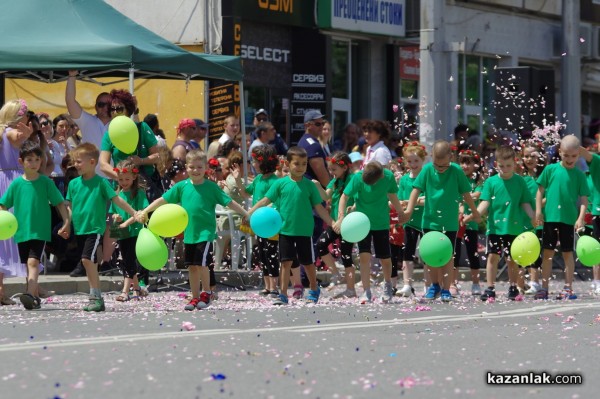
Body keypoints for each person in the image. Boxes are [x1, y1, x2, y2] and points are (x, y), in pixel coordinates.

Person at [141, 150, 248, 311]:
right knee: (191, 266)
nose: (196, 170)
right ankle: (195, 296)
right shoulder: (181, 187)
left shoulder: (211, 187)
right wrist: (145, 211)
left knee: (203, 264)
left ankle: (207, 293)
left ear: (205, 167)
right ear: (186, 168)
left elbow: (229, 202)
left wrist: (246, 213)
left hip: (205, 233)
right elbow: (162, 200)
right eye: (192, 167)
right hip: (189, 233)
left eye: (199, 167)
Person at [249, 147, 335, 305]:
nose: (301, 167)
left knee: (307, 263)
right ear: (287, 164)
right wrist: (250, 213)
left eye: (304, 164)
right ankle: (282, 294)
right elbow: (265, 201)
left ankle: (314, 289)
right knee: (285, 262)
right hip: (285, 230)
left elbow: (319, 207)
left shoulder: (309, 185)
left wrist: (332, 223)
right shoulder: (280, 184)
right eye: (297, 164)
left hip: (304, 231)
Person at [403, 140, 481, 302]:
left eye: (444, 165)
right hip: (430, 221)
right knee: (431, 256)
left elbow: (466, 194)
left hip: (450, 222)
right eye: (437, 165)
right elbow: (415, 191)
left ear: (450, 158)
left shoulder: (456, 171)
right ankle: (435, 285)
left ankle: (446, 288)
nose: (440, 168)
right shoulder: (427, 170)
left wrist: (474, 212)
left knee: (448, 256)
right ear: (432, 158)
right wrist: (409, 210)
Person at [66, 143, 139, 312]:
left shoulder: (101, 183)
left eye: (79, 161)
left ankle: (96, 296)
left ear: (92, 162)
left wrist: (134, 212)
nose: (76, 165)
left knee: (86, 260)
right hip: (80, 229)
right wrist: (66, 224)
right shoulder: (73, 184)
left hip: (94, 229)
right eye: (75, 161)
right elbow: (69, 206)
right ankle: (97, 297)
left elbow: (117, 200)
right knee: (90, 263)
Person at [0, 141, 70, 309]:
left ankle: (30, 295)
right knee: (27, 265)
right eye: (29, 160)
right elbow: (3, 204)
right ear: (21, 162)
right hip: (21, 231)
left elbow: (59, 203)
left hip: (39, 231)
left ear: (41, 162)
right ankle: (33, 296)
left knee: (33, 262)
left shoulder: (46, 182)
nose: (33, 163)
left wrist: (67, 222)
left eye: (37, 160)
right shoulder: (16, 184)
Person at [464, 146, 535, 301]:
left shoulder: (520, 181)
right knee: (492, 257)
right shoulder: (491, 182)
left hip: (514, 228)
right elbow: (485, 203)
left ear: (515, 164)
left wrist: (533, 217)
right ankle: (490, 288)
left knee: (512, 259)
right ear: (496, 164)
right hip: (495, 228)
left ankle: (512, 287)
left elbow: (525, 203)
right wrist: (473, 215)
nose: (505, 169)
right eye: (501, 166)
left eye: (508, 166)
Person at [337, 161, 405, 304]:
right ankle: (366, 291)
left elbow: (392, 194)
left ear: (381, 176)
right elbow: (344, 196)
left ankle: (388, 286)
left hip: (381, 222)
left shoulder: (387, 176)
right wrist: (341, 216)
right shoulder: (357, 178)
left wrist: (400, 212)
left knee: (385, 258)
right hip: (362, 223)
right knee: (364, 257)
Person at [535, 135, 589, 300]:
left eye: (573, 156)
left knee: (567, 253)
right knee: (547, 253)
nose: (570, 159)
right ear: (560, 152)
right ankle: (544, 287)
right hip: (550, 218)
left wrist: (580, 218)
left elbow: (584, 200)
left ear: (578, 155)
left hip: (568, 219)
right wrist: (538, 211)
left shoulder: (580, 175)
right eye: (566, 155)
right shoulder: (550, 169)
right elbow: (539, 192)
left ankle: (568, 287)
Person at [232, 145, 280, 297]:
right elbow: (245, 193)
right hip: (259, 224)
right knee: (263, 253)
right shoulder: (259, 179)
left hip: (270, 223)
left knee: (271, 253)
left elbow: (272, 201)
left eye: (254, 161)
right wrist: (237, 179)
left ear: (263, 162)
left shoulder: (274, 181)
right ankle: (267, 286)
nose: (252, 164)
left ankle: (274, 287)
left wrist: (257, 213)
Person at [0, 99, 34, 305]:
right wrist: (27, 136)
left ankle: (2, 290)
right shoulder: (12, 133)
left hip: (2, 181)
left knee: (3, 238)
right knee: (22, 234)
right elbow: (18, 139)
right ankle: (32, 287)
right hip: (14, 183)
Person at [313, 152, 357, 298]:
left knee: (346, 254)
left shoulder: (352, 179)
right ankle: (336, 273)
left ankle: (351, 290)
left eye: (334, 169)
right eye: (330, 170)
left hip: (348, 223)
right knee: (320, 245)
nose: (331, 173)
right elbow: (326, 196)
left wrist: (344, 216)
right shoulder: (334, 181)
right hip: (336, 223)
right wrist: (318, 186)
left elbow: (352, 198)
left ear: (344, 168)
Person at [109, 160, 149, 301]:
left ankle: (125, 291)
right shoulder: (117, 194)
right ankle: (137, 288)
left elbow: (140, 212)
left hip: (134, 231)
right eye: (120, 179)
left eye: (127, 179)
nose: (124, 182)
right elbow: (112, 212)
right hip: (121, 230)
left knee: (129, 260)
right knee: (124, 259)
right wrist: (116, 217)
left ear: (134, 177)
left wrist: (126, 222)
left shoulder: (139, 193)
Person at [65, 70, 111, 176]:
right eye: (101, 104)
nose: (105, 107)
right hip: (90, 179)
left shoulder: (118, 124)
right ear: (95, 107)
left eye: (108, 104)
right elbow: (70, 101)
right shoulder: (87, 120)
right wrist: (72, 76)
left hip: (113, 179)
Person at [396, 141, 427, 297]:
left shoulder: (426, 177)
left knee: (428, 254)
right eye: (409, 161)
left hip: (426, 220)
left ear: (423, 160)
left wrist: (411, 201)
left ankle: (429, 284)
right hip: (410, 221)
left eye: (416, 161)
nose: (413, 164)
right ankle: (408, 284)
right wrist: (400, 206)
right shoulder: (404, 180)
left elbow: (427, 199)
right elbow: (400, 199)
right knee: (407, 253)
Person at [455, 149, 484, 296]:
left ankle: (476, 283)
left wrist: (463, 196)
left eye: (468, 162)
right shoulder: (457, 179)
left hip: (471, 222)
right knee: (455, 253)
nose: (464, 166)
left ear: (476, 165)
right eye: (462, 162)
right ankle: (453, 283)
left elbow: (477, 194)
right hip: (457, 221)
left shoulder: (477, 181)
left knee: (472, 253)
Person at [520, 140, 547, 295]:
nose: (529, 159)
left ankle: (534, 281)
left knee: (535, 251)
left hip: (538, 221)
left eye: (533, 156)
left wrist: (536, 210)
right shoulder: (521, 179)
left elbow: (547, 197)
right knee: (523, 251)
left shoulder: (543, 178)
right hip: (523, 221)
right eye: (526, 156)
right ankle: (521, 282)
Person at [298, 110, 330, 188]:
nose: (322, 127)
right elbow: (323, 178)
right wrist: (332, 190)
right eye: (318, 124)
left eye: (322, 123)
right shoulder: (312, 145)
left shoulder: (304, 141)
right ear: (307, 125)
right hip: (315, 194)